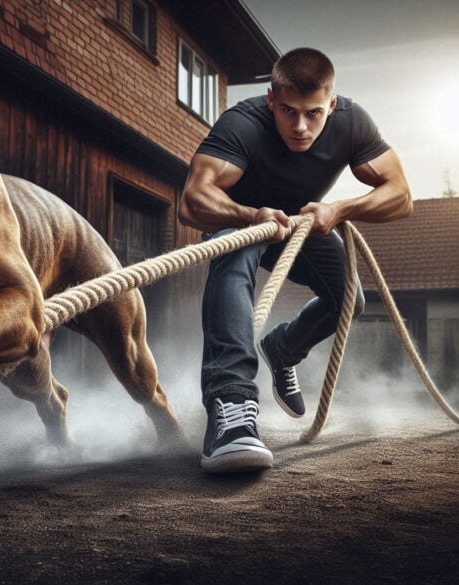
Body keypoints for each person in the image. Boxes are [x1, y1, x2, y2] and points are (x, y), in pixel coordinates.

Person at [177, 47, 413, 474]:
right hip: (244, 221)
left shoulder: (352, 123)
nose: (300, 127)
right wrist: (250, 214)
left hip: (303, 227)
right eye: (288, 111)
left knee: (349, 300)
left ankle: (282, 348)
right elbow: (193, 201)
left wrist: (339, 209)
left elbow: (400, 196)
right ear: (271, 99)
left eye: (314, 113)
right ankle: (231, 406)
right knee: (233, 255)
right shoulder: (243, 124)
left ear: (332, 105)